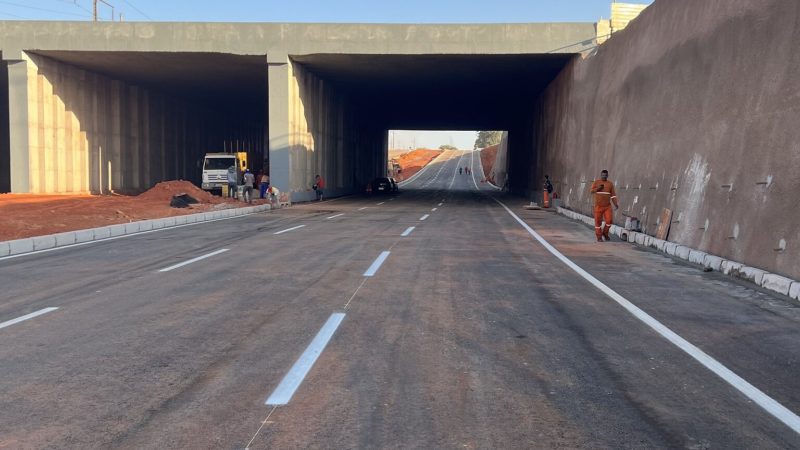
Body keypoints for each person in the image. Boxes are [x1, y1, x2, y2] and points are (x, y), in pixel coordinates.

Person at [590, 169, 619, 242]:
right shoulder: (596, 182)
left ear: (607, 176)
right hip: (598, 206)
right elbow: (591, 191)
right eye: (602, 175)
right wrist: (598, 188)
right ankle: (599, 237)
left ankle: (605, 234)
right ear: (601, 175)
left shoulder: (610, 184)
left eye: (605, 175)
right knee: (598, 222)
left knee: (609, 221)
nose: (604, 176)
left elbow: (613, 195)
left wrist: (615, 204)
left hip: (607, 206)